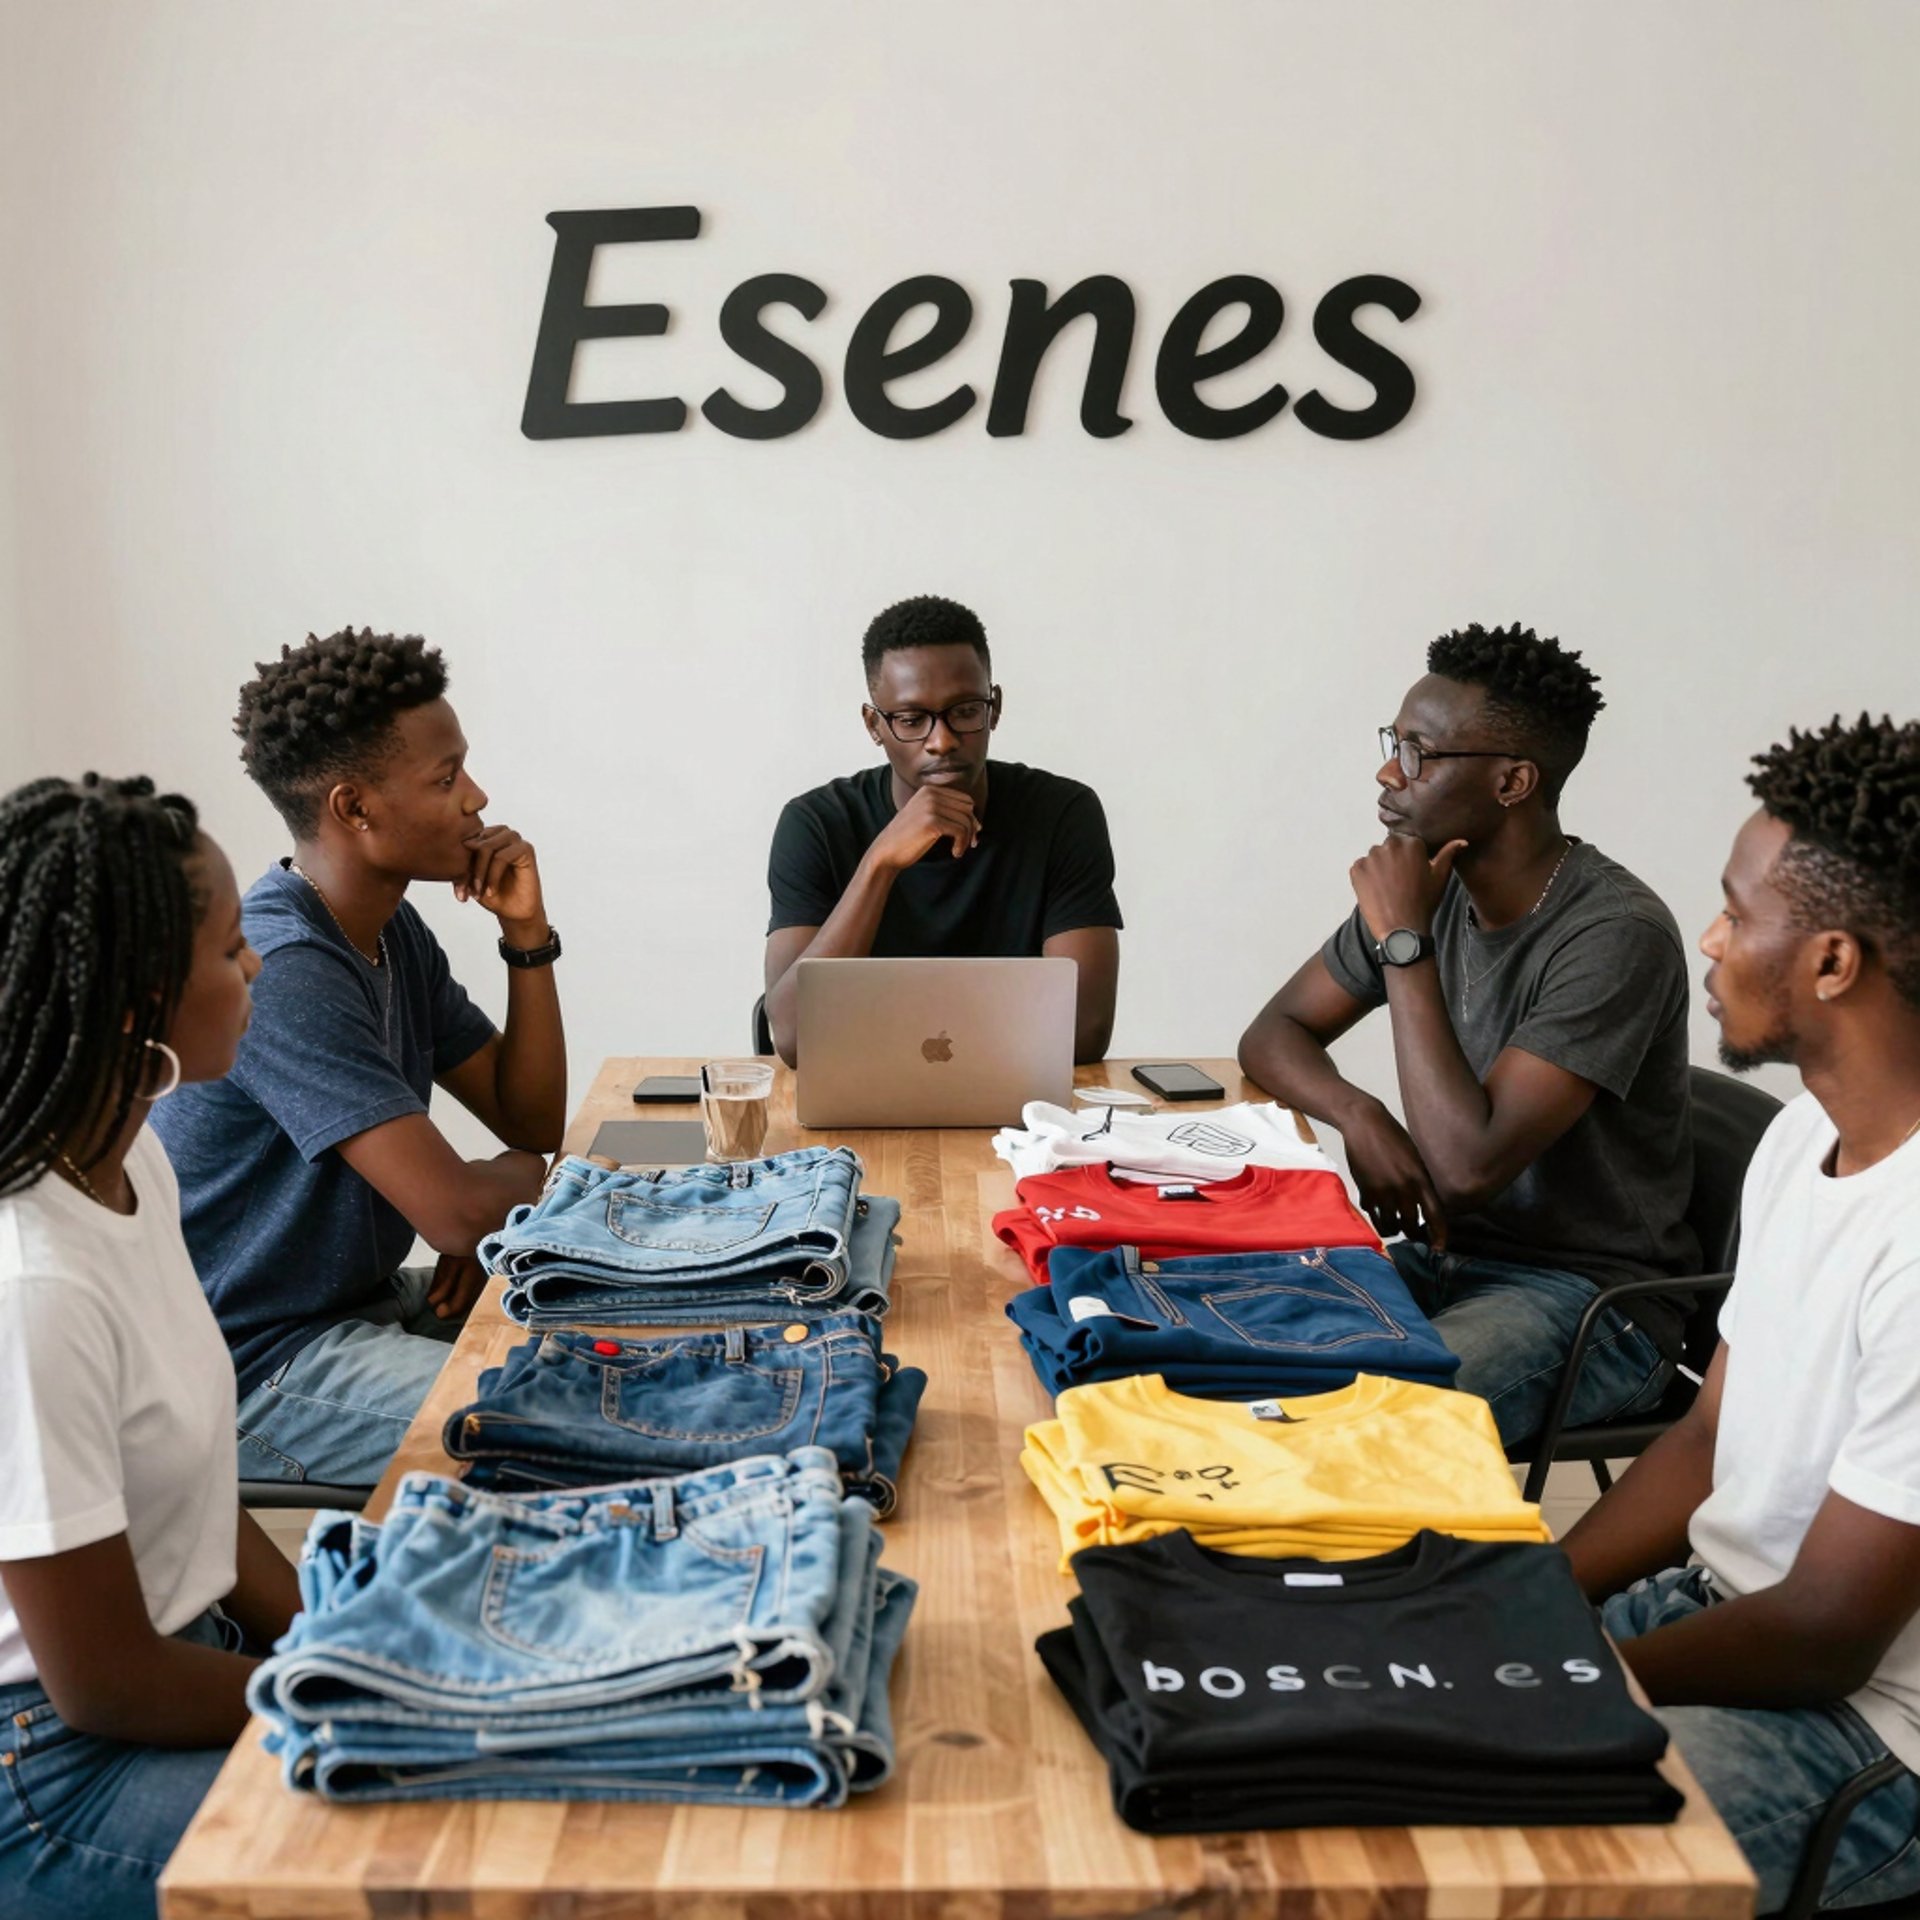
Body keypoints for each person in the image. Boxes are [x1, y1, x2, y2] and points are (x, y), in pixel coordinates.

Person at [1564, 714, 1920, 1915]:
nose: (1710, 939)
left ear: (1829, 963)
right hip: (1727, 1617)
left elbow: (1827, 1634)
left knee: (1501, 1853)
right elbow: (1708, 1440)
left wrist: (1567, 1678)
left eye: (1737, 909)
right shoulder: (1808, 1133)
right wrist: (1528, 1602)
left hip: (1870, 1734)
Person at [1238, 623, 1696, 1447]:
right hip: (1444, 1262)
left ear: (1514, 781)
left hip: (1589, 1304)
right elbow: (1273, 1034)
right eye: (1393, 743)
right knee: (1214, 1363)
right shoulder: (1432, 888)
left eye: (1419, 752)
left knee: (1345, 1432)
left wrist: (1403, 943)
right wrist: (1362, 1117)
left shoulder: (1614, 933)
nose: (1387, 772)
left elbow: (1465, 1165)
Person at [152, 629, 566, 1485]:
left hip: (358, 1307)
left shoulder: (390, 931)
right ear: (354, 807)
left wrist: (526, 938)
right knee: (579, 1416)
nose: (477, 798)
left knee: (629, 1335)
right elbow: (456, 1214)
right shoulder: (288, 965)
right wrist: (492, 1201)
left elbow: (531, 1123)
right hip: (253, 1364)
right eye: (446, 778)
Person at [0, 775, 301, 1920]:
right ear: (141, 1005)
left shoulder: (136, 1166)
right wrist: (358, 1699)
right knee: (426, 1835)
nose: (257, 971)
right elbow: (103, 1681)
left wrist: (341, 1648)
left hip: (184, 1665)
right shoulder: (32, 1281)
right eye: (233, 951)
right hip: (51, 1770)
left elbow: (196, 1500)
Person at [763, 594, 1121, 1066]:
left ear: (994, 708)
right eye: (911, 720)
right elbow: (791, 1036)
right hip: (860, 1103)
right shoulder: (815, 824)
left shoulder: (1063, 814)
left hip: (1020, 1113)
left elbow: (1084, 1030)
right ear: (875, 724)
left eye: (966, 711)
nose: (942, 741)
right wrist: (879, 864)